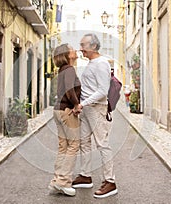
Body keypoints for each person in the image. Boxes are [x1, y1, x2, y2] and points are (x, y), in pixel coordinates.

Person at [72, 33, 118, 198]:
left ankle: (110, 181)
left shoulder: (101, 63)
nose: (81, 48)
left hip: (97, 108)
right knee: (84, 143)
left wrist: (82, 104)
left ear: (93, 46)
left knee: (102, 144)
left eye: (83, 45)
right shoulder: (91, 63)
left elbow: (102, 91)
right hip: (86, 109)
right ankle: (85, 175)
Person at [48, 43, 81, 196]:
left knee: (63, 147)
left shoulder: (62, 70)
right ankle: (63, 182)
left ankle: (57, 180)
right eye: (71, 48)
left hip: (58, 111)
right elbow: (69, 89)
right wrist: (76, 104)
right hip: (67, 111)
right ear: (67, 54)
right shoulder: (69, 69)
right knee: (73, 145)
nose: (75, 49)